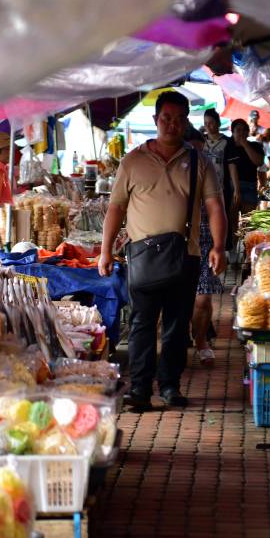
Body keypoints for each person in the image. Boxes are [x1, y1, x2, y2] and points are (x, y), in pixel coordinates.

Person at [98, 91, 227, 410]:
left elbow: (215, 207)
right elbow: (115, 208)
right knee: (142, 324)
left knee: (176, 325)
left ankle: (170, 386)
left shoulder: (199, 161)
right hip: (142, 258)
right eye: (166, 118)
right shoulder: (132, 161)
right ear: (156, 120)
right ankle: (140, 389)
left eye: (179, 119)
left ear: (186, 122)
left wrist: (220, 247)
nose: (172, 124)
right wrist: (104, 251)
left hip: (186, 256)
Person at [193, 109, 230, 367]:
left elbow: (218, 209)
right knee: (185, 300)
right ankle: (192, 335)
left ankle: (201, 341)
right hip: (180, 243)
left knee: (204, 298)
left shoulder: (209, 172)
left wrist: (220, 246)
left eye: (200, 150)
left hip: (207, 240)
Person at [226, 119, 264, 248]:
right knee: (232, 225)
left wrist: (245, 144)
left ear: (248, 132)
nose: (241, 133)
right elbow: (231, 168)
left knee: (249, 225)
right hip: (233, 188)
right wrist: (236, 190)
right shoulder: (228, 147)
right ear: (232, 132)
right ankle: (233, 254)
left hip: (250, 187)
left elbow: (258, 162)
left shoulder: (256, 146)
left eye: (244, 130)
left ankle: (247, 254)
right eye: (238, 130)